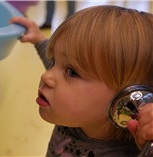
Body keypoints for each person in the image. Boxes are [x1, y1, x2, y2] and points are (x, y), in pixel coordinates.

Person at [10, 5, 153, 156]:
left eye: (72, 72)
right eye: (53, 61)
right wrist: (39, 40)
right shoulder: (73, 113)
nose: (46, 76)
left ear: (128, 100)